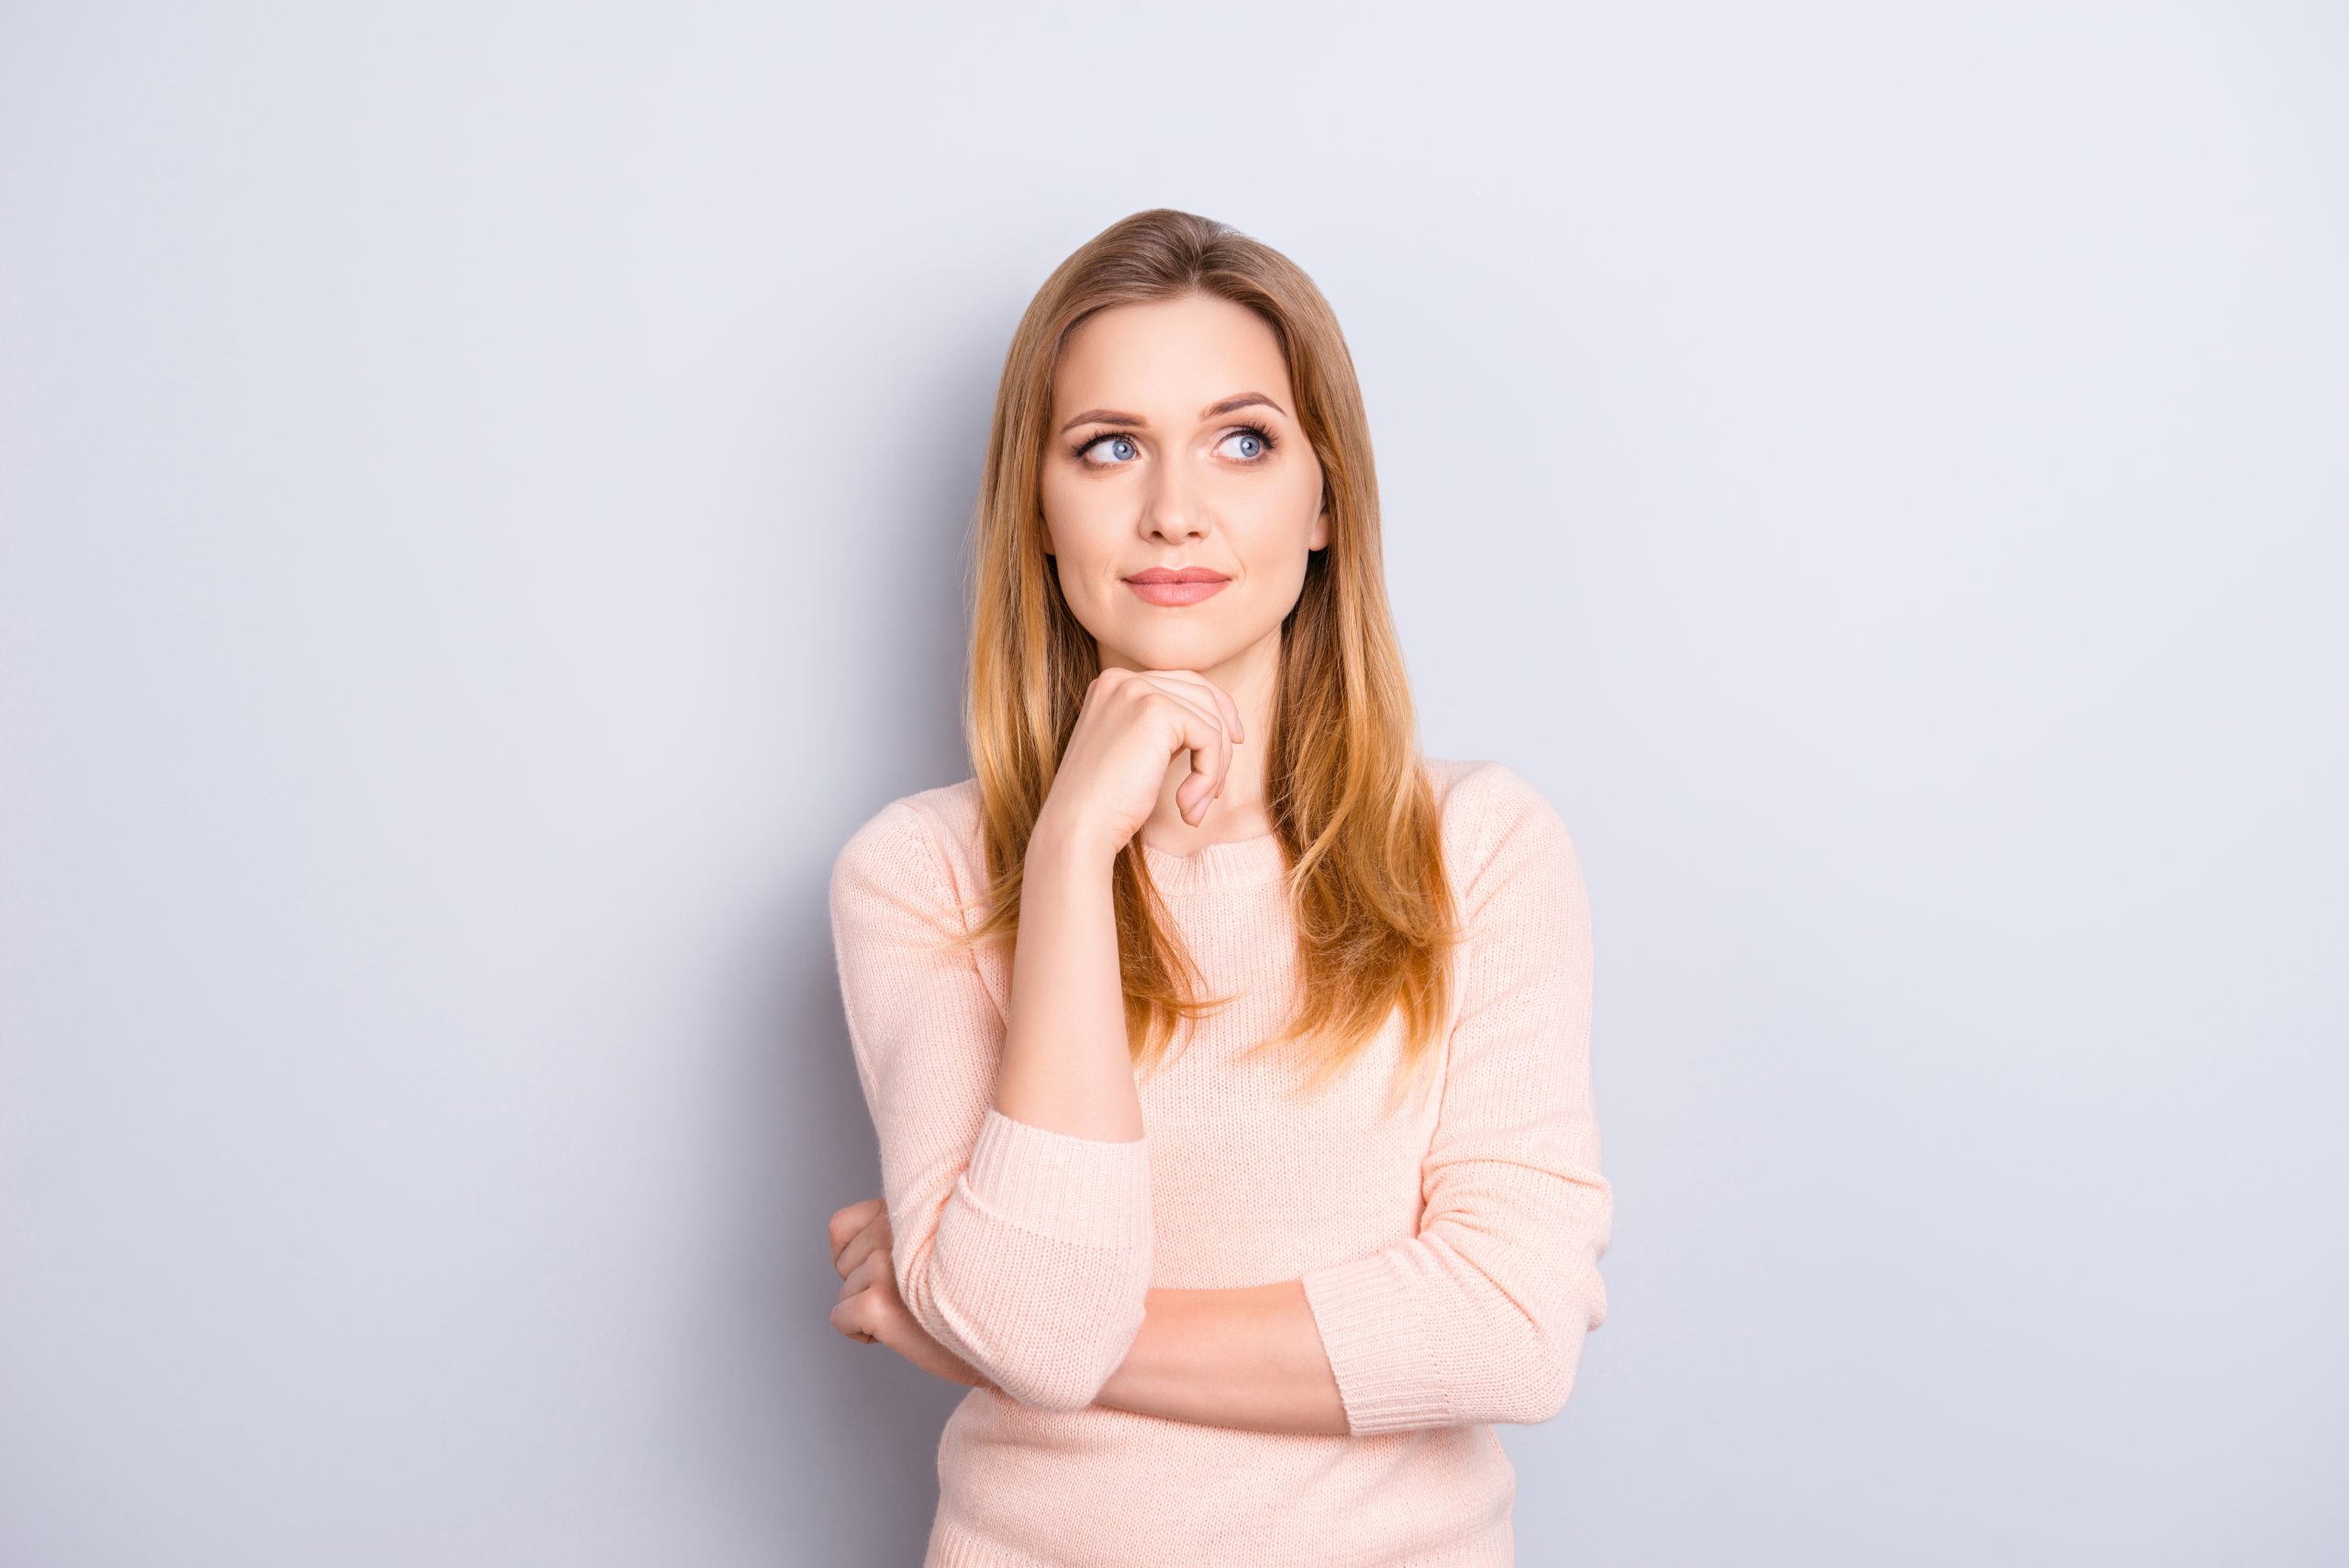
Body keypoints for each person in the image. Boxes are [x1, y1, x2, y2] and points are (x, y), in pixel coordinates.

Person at [823, 207, 1611, 1566]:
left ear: (1323, 501)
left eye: (1242, 440)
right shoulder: (922, 875)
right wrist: (1071, 849)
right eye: (1109, 445)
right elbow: (1038, 1324)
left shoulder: (1478, 843)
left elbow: (1511, 1327)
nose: (1173, 507)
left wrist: (961, 1311)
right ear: (1039, 505)